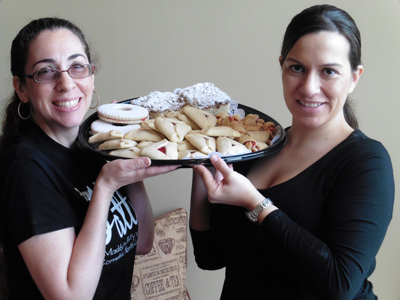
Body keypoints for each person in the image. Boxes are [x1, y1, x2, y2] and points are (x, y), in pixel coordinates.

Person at [189, 4, 394, 300]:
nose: (310, 87)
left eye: (328, 72)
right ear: (282, 66)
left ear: (354, 77)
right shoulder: (255, 147)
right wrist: (199, 162)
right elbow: (209, 258)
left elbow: (339, 285)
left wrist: (254, 203)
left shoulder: (366, 162)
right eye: (297, 68)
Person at [0, 18, 177, 300]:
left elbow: (142, 242)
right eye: (46, 71)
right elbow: (70, 296)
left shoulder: (92, 146)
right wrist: (105, 187)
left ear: (91, 75)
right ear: (22, 88)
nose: (67, 83)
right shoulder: (25, 166)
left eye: (77, 66)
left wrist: (124, 153)